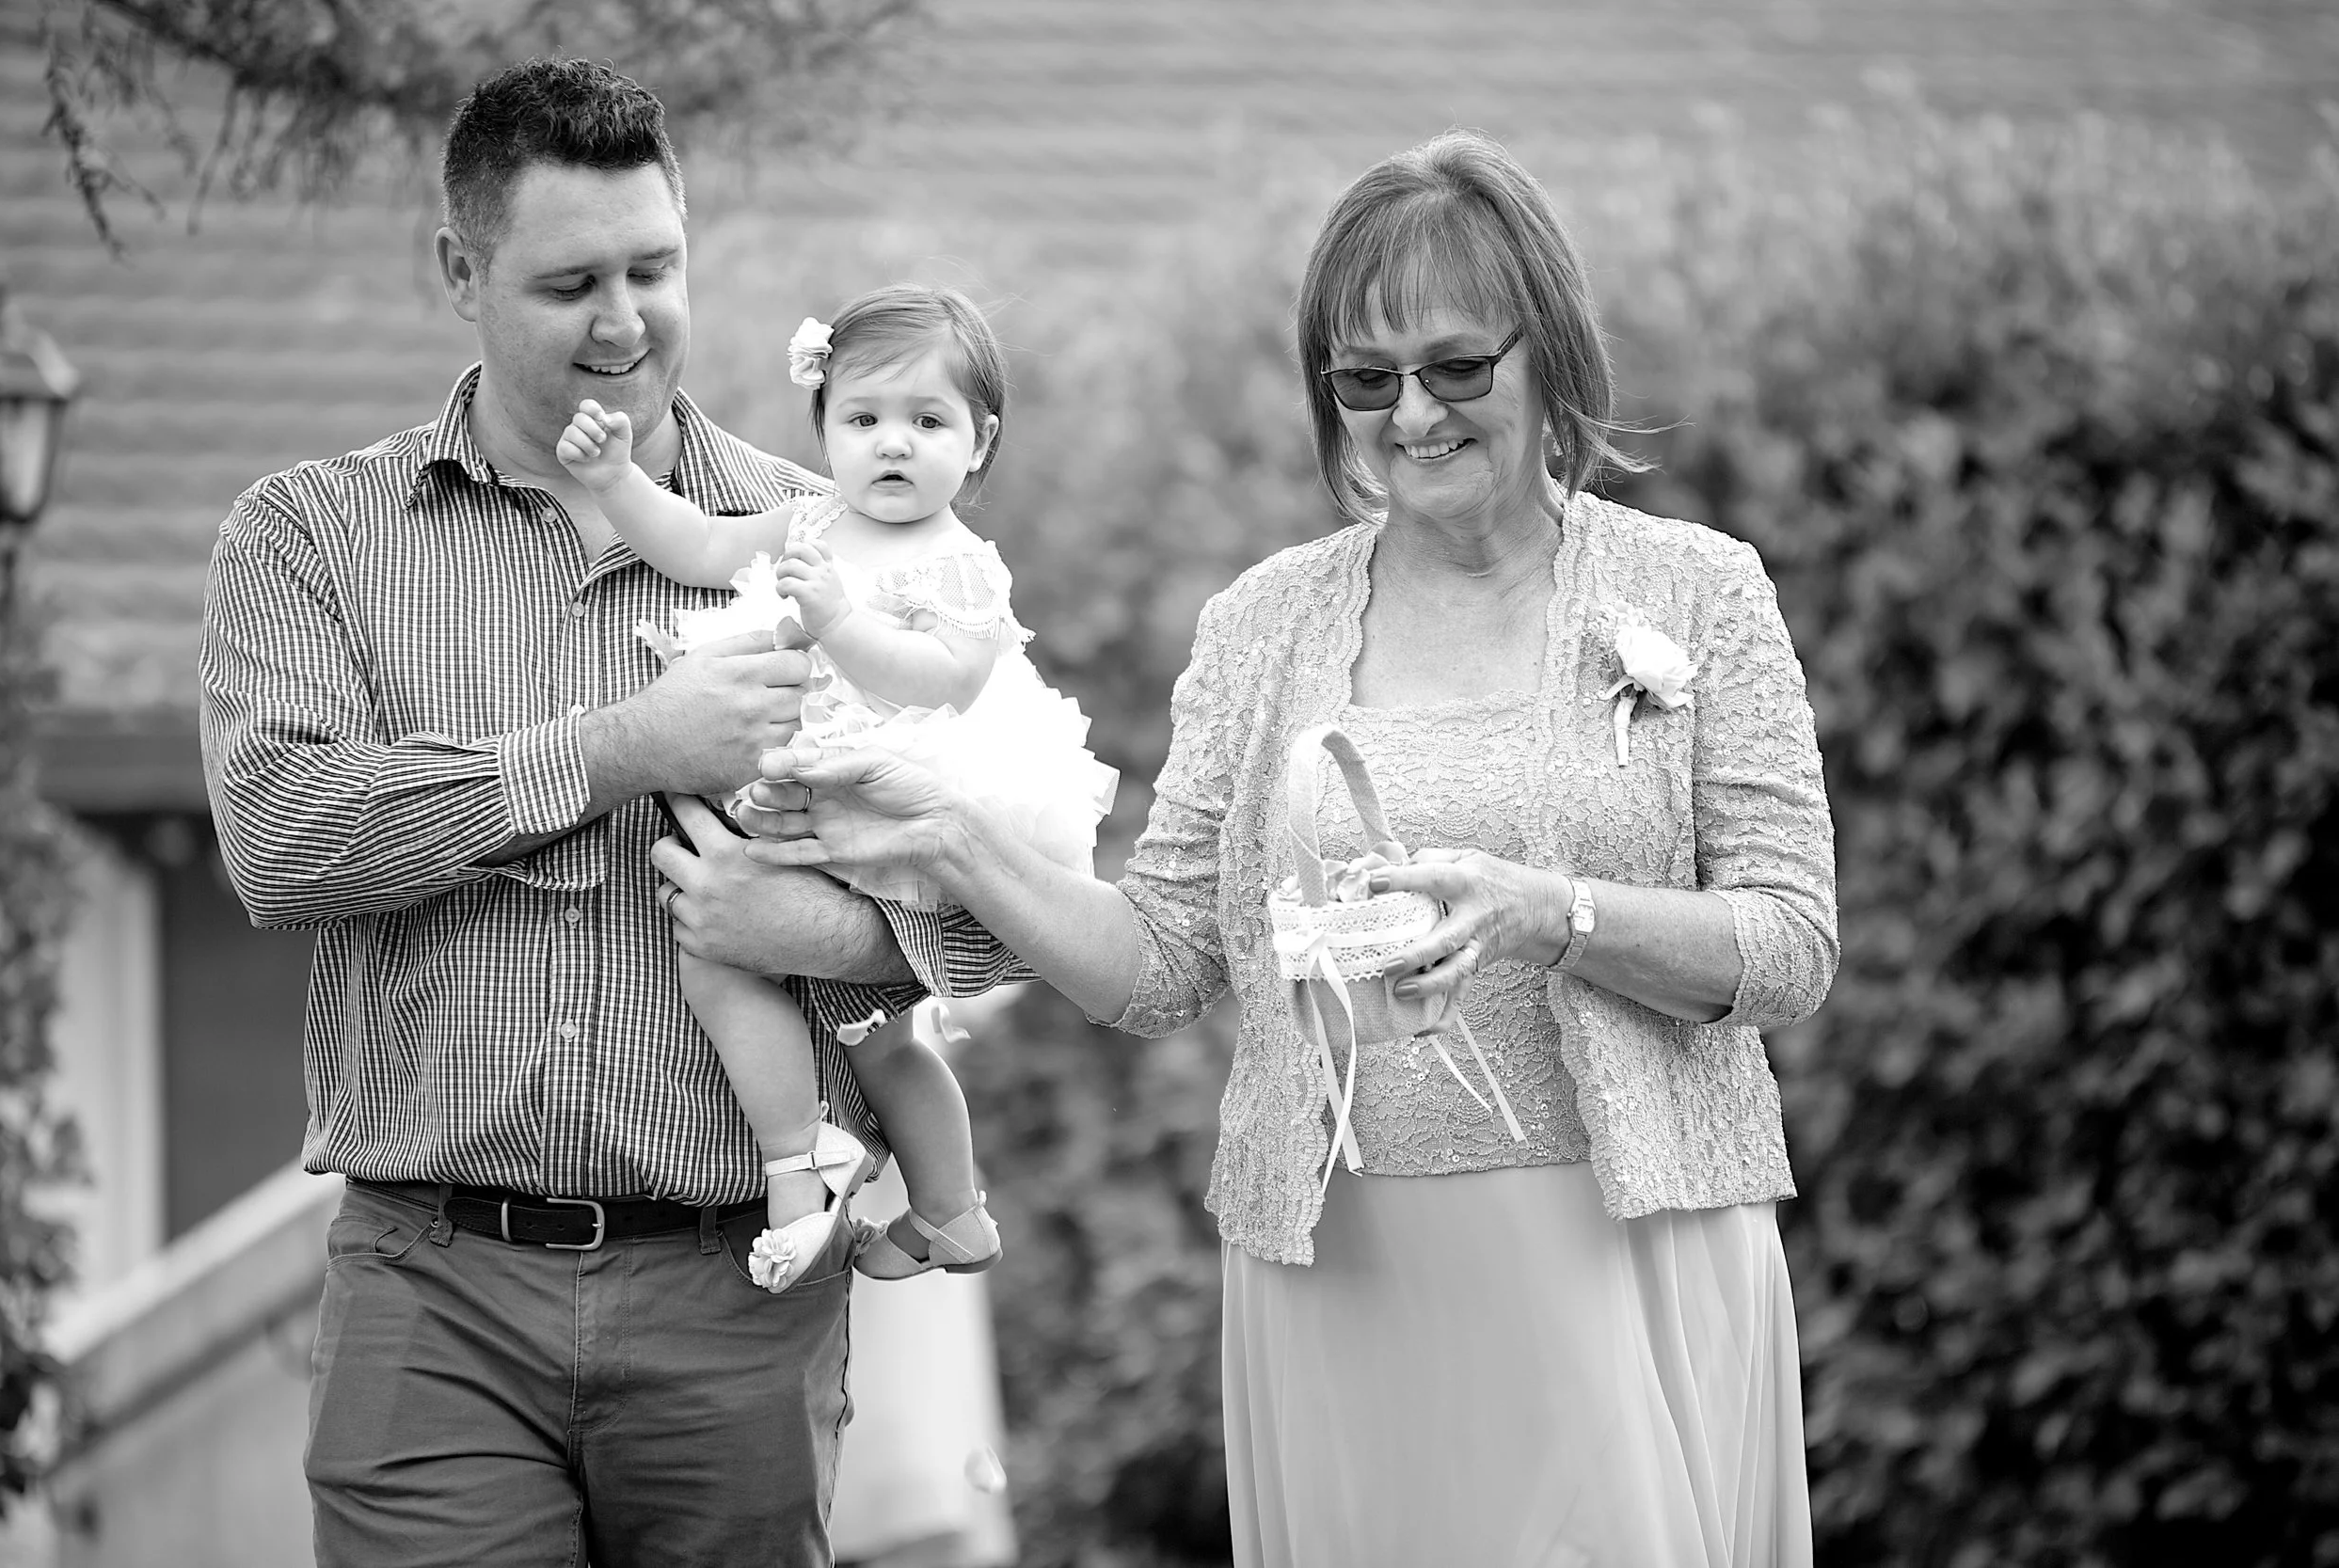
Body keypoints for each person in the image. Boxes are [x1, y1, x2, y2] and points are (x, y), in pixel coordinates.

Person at [735, 129, 1838, 1566]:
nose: (1413, 413)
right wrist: (946, 834)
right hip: (1345, 1265)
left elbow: (1790, 945)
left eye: (1456, 366)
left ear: (1549, 351)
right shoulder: (1265, 622)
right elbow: (1160, 962)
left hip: (1626, 1248)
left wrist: (1547, 910)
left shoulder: (1696, 590)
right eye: (1366, 380)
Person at [199, 58, 1025, 1568]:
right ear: (460, 272)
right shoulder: (311, 535)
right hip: (433, 1290)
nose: (625, 320)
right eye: (571, 281)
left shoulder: (836, 541)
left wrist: (817, 927)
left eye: (654, 268)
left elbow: (998, 913)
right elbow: (280, 835)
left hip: (738, 1292)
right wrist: (619, 748)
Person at [552, 284, 1115, 1289]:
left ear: (979, 442)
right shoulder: (811, 520)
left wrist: (840, 623)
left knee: (759, 973)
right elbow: (699, 543)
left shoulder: (960, 563)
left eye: (927, 422)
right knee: (849, 1022)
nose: (892, 444)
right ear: (825, 429)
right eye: (862, 420)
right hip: (804, 786)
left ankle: (801, 1164)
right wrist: (616, 481)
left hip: (886, 799)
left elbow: (947, 681)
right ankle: (948, 1211)